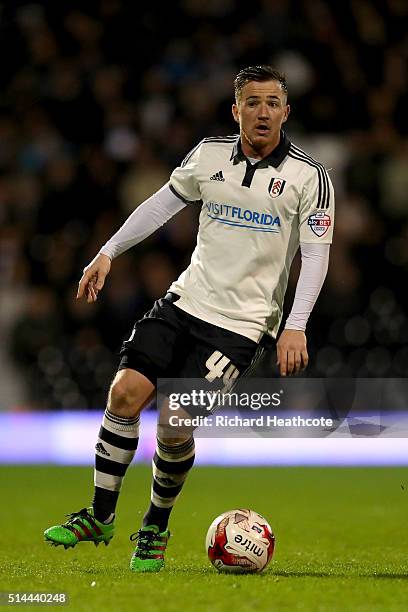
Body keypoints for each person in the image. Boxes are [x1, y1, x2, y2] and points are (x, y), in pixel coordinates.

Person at [44, 65, 334, 572]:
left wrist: (296, 324)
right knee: (123, 394)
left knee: (176, 424)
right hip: (185, 302)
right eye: (252, 102)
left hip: (242, 326)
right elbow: (160, 205)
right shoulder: (209, 155)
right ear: (236, 110)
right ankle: (100, 514)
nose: (262, 111)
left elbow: (316, 255)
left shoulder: (309, 177)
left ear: (286, 112)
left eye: (272, 103)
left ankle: (154, 529)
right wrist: (108, 252)